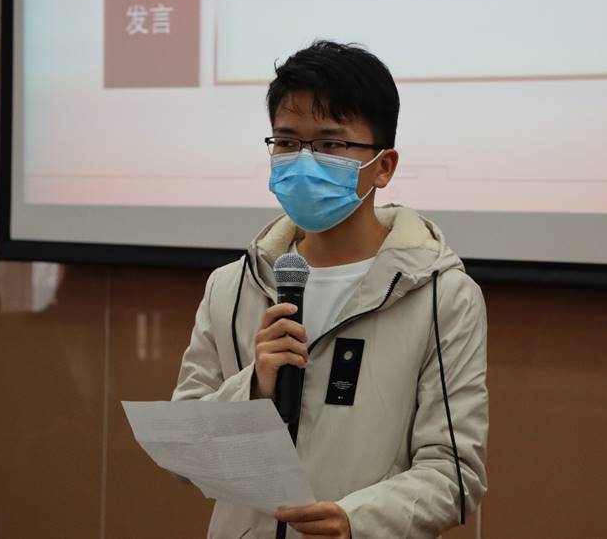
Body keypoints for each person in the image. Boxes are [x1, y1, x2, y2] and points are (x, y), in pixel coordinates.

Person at [172, 40, 488, 538]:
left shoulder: (440, 295)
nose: (303, 161)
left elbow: (455, 474)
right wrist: (253, 388)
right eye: (287, 142)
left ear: (383, 166)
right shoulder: (231, 287)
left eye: (331, 145)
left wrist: (356, 519)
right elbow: (184, 454)